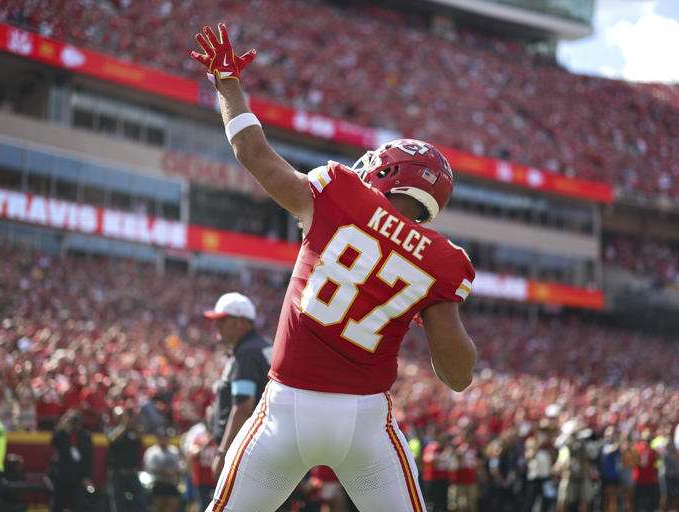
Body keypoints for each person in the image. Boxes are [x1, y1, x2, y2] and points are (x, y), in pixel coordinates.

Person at [191, 23, 477, 512]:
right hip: (366, 423)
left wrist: (228, 84)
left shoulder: (339, 194)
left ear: (386, 172)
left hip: (285, 410)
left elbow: (251, 152)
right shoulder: (443, 258)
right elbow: (457, 375)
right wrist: (438, 295)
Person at [202, 291, 272, 480]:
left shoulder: (247, 353)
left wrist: (224, 454)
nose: (217, 325)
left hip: (247, 455)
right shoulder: (262, 346)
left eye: (223, 320)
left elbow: (243, 407)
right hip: (265, 450)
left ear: (241, 321)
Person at [49, 408, 94, 512]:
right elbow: (53, 442)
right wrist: (63, 426)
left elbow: (89, 457)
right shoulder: (63, 433)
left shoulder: (85, 435)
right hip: (61, 475)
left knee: (77, 504)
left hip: (77, 476)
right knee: (58, 504)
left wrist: (87, 476)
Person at [107, 406, 149, 512]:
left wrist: (134, 426)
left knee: (140, 501)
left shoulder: (134, 431)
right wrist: (124, 426)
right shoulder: (113, 428)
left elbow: (141, 439)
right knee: (118, 504)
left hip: (132, 472)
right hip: (117, 472)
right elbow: (113, 439)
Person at [143, 429, 183, 512]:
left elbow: (180, 466)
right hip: (158, 483)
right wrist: (166, 473)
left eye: (165, 438)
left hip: (172, 484)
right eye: (162, 438)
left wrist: (174, 473)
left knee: (173, 507)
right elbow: (150, 468)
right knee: (159, 508)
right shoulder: (152, 452)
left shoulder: (174, 451)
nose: (164, 440)